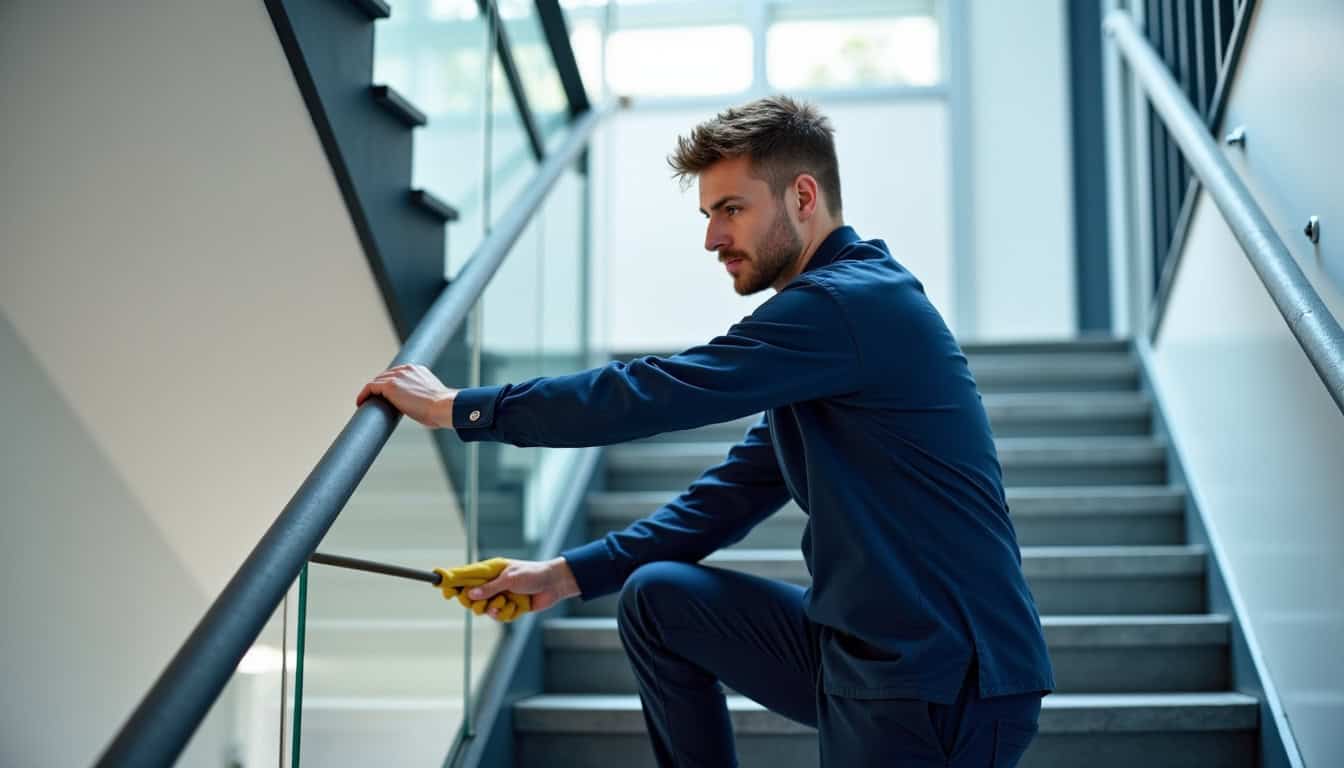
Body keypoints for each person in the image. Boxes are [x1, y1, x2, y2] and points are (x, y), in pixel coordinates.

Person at [356, 95, 1054, 767]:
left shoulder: (848, 306)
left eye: (731, 209)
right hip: (871, 652)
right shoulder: (827, 339)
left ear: (802, 198)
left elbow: (654, 392)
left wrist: (458, 407)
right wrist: (563, 576)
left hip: (942, 676)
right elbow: (730, 494)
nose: (713, 238)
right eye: (708, 213)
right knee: (659, 599)